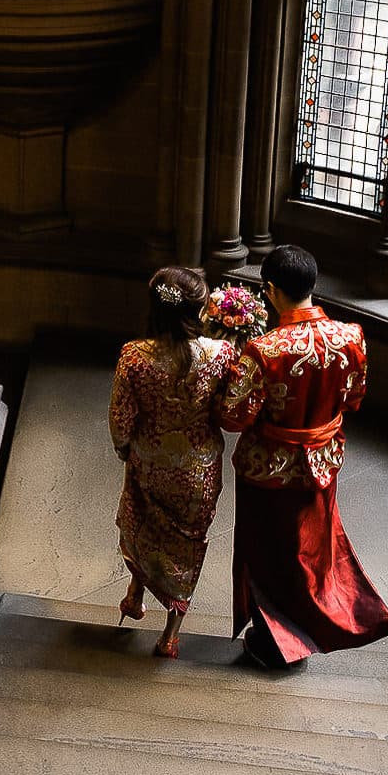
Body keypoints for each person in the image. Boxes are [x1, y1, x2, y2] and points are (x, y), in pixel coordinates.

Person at [218, 244, 388, 668]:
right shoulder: (351, 337)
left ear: (271, 290)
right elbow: (353, 399)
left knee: (269, 554)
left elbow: (234, 416)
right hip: (324, 460)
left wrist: (230, 369)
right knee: (315, 549)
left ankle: (276, 641)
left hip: (269, 467)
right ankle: (315, 623)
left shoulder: (265, 350)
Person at [107, 265, 235, 658]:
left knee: (142, 526)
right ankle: (170, 635)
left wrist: (124, 449)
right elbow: (229, 410)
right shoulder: (221, 355)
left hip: (150, 463)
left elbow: (120, 418)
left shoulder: (134, 357)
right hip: (197, 471)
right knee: (186, 544)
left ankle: (134, 593)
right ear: (196, 312)